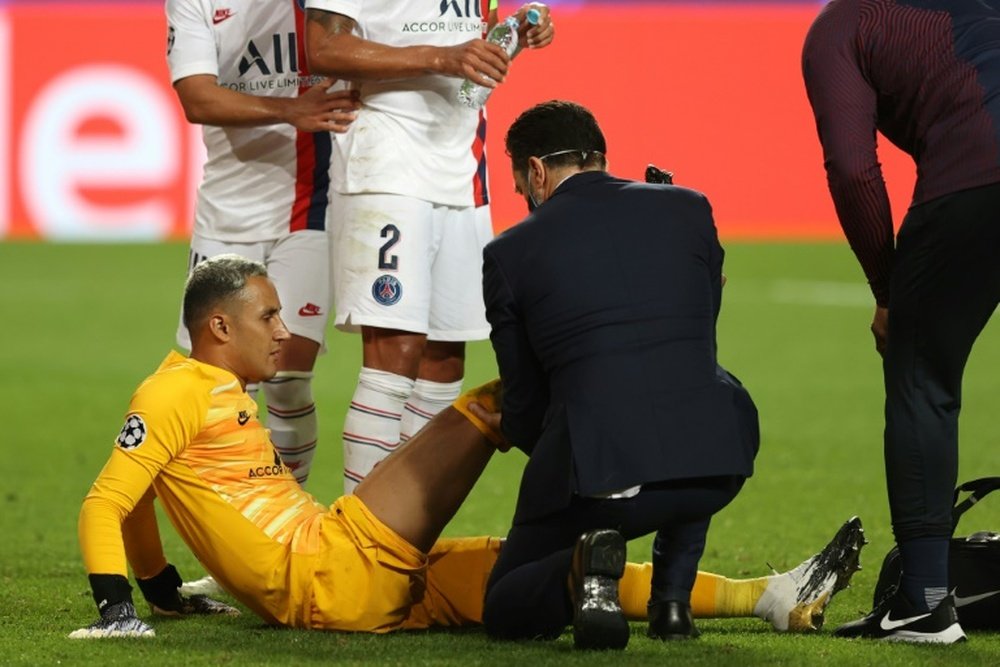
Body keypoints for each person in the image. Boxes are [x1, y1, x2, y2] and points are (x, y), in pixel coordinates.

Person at [70, 255, 863, 639]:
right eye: (269, 318)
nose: (285, 330)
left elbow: (137, 501)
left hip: (351, 577)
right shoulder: (173, 391)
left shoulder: (207, 396)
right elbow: (107, 500)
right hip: (329, 568)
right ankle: (641, 400)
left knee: (551, 569)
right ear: (219, 327)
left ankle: (767, 595)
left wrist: (163, 587)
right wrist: (118, 612)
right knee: (492, 403)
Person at [475, 100, 762, 649]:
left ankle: (582, 566)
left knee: (507, 603)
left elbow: (525, 404)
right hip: (717, 461)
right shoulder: (690, 207)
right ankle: (671, 605)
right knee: (697, 388)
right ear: (600, 156)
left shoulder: (508, 253)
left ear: (535, 171)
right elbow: (699, 342)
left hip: (604, 476)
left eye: (520, 187)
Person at [802, 0, 1000, 645]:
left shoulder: (845, 23)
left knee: (921, 378)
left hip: (976, 180)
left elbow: (853, 169)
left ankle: (923, 602)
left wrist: (888, 290)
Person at [301, 0, 555, 492]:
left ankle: (405, 534)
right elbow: (324, 46)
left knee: (444, 361)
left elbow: (467, 65)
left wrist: (512, 37)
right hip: (387, 165)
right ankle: (361, 542)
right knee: (395, 351)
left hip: (461, 173)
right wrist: (440, 57)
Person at [166, 0, 361, 487]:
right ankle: (232, 540)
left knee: (288, 382)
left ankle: (281, 524)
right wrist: (289, 110)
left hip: (309, 211)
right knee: (218, 391)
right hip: (225, 216)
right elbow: (198, 99)